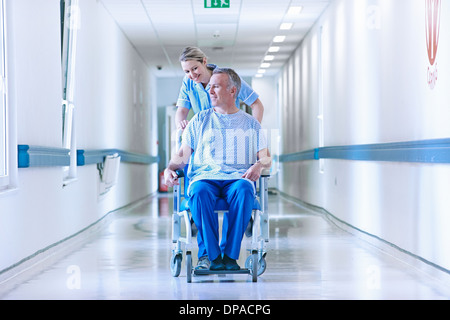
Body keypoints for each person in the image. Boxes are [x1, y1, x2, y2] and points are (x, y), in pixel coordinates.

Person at [165, 68, 271, 271]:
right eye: (209, 86)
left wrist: (258, 165)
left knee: (245, 189)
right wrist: (169, 168)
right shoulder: (199, 120)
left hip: (237, 178)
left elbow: (266, 157)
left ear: (232, 91)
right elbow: (183, 154)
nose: (210, 91)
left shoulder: (251, 124)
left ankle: (230, 257)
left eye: (216, 86)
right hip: (205, 177)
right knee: (198, 191)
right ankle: (210, 256)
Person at [175, 46, 264, 130]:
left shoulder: (227, 77)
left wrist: (253, 131)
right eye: (187, 71)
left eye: (194, 68)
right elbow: (182, 111)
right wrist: (181, 128)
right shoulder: (188, 82)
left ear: (204, 61)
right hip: (205, 138)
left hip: (230, 133)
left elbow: (256, 104)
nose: (192, 75)